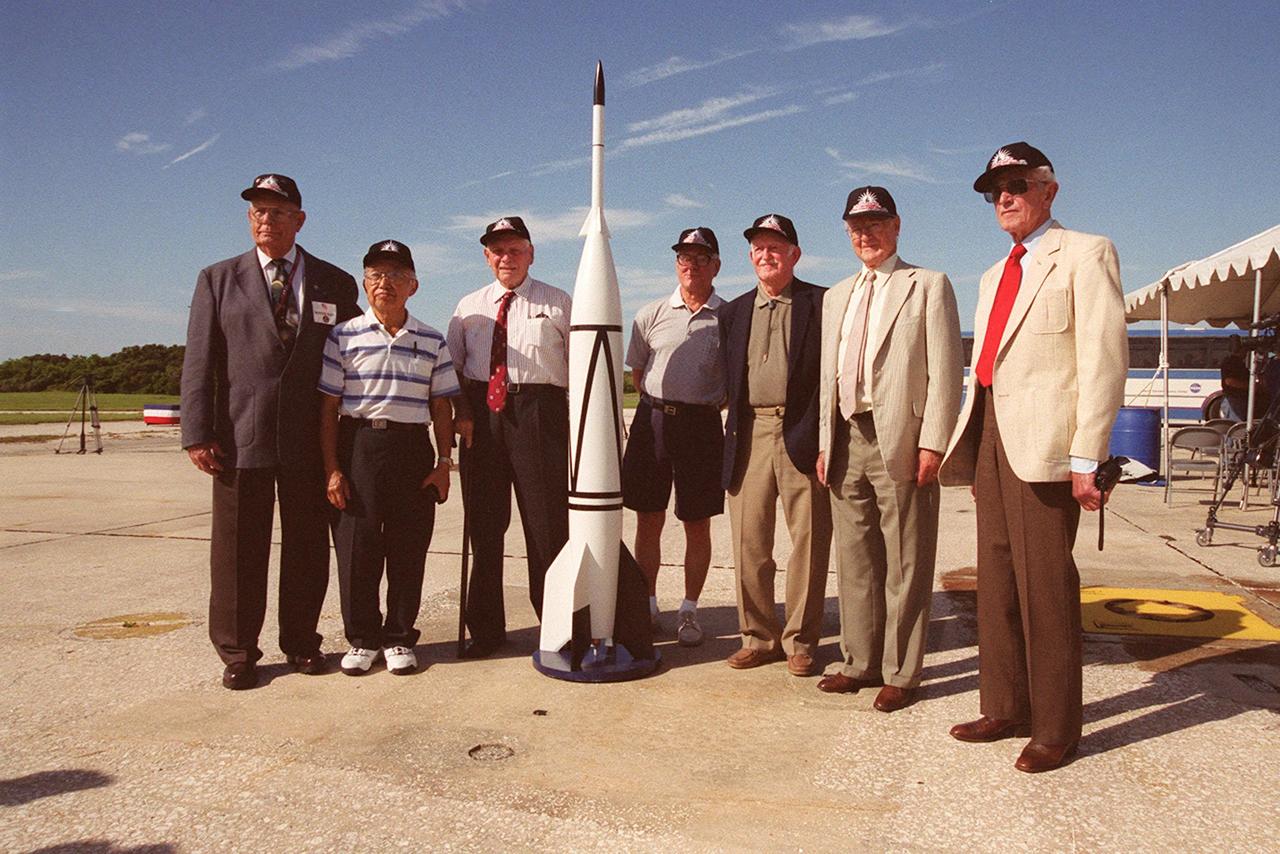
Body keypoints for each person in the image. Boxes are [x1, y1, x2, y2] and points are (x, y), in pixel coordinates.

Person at [939, 142, 1127, 772]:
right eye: (995, 190)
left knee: (1045, 585)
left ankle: (1055, 726)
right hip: (992, 434)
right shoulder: (995, 274)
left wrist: (1087, 455)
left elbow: (1102, 360)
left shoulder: (1084, 253)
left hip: (1047, 444)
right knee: (995, 580)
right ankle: (1004, 703)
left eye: (1017, 184)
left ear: (1050, 189)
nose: (1005, 197)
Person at [181, 173, 360, 690]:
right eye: (258, 211)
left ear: (299, 220)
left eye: (278, 212)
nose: (267, 219)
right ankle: (239, 652)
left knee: (307, 546)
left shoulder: (335, 282)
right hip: (239, 438)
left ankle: (302, 642)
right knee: (238, 550)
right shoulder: (218, 278)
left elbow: (350, 361)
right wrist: (197, 431)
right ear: (249, 218)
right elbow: (200, 361)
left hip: (310, 440)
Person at [815, 186, 962, 711]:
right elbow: (826, 377)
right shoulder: (837, 296)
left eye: (876, 223)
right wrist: (824, 442)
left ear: (896, 226)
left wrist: (934, 442)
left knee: (906, 559)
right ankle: (859, 661)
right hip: (846, 435)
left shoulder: (926, 285)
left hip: (900, 436)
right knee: (854, 560)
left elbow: (946, 373)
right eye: (856, 225)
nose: (866, 233)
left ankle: (902, 671)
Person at [318, 240, 465, 676]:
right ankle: (363, 638)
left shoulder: (432, 339)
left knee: (407, 546)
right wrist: (332, 468)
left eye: (397, 276)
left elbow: (442, 405)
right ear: (365, 284)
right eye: (377, 276)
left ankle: (400, 636)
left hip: (411, 449)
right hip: (359, 444)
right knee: (358, 547)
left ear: (413, 285)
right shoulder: (342, 336)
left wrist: (443, 463)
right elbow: (328, 407)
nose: (387, 284)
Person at [446, 217, 572, 658]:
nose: (506, 258)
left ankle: (556, 624)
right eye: (497, 250)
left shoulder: (557, 303)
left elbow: (579, 370)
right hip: (483, 417)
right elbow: (453, 372)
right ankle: (485, 628)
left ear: (531, 253)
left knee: (547, 527)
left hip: (541, 414)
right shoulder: (468, 307)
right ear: (486, 256)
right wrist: (463, 414)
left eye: (515, 249)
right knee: (485, 527)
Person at [719, 214, 830, 676]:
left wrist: (826, 441)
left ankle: (800, 641)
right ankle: (758, 637)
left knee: (808, 541)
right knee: (750, 543)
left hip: (801, 431)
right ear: (750, 257)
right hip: (750, 434)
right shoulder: (733, 311)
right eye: (759, 249)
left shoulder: (820, 303)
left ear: (795, 255)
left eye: (776, 248)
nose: (766, 256)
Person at [623, 227, 727, 646]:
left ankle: (688, 610)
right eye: (684, 257)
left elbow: (733, 381)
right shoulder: (650, 313)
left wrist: (698, 405)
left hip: (701, 427)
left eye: (700, 258)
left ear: (716, 265)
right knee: (648, 519)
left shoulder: (730, 316)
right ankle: (647, 605)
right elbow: (637, 372)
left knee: (696, 522)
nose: (691, 264)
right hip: (653, 423)